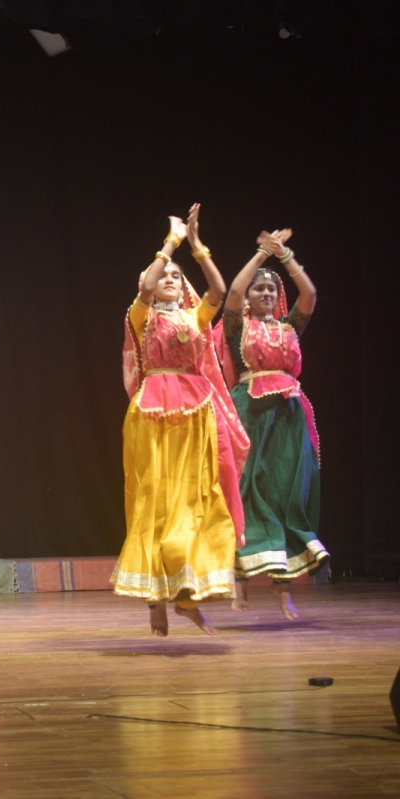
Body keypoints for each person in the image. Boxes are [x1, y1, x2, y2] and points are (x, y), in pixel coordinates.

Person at [113, 204, 249, 636]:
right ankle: (155, 597)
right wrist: (169, 243)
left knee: (194, 501)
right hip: (153, 410)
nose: (169, 279)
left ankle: (186, 595)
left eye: (176, 275)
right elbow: (149, 284)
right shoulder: (140, 317)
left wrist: (195, 246)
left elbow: (219, 289)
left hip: (195, 411)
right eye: (162, 276)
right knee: (154, 499)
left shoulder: (196, 318)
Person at [218, 229, 325, 619]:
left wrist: (286, 256)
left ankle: (284, 593)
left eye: (269, 290)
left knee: (284, 495)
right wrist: (262, 255)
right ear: (248, 298)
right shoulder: (237, 327)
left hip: (288, 417)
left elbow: (309, 295)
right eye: (258, 289)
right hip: (249, 412)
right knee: (246, 492)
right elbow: (231, 291)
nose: (264, 293)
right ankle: (240, 584)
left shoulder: (289, 327)